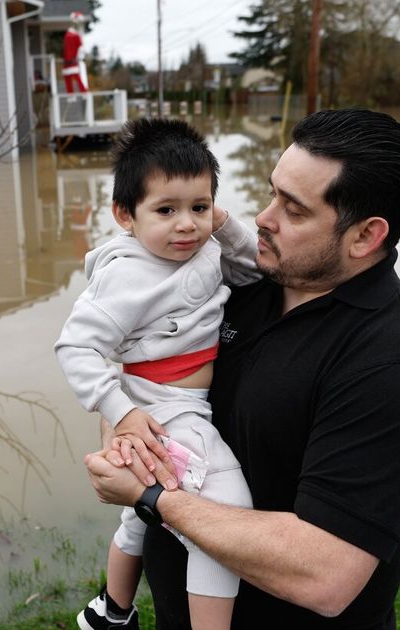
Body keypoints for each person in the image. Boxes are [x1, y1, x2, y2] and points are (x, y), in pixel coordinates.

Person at [83, 108, 400, 629]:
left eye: (294, 209)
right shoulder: (240, 285)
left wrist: (151, 496)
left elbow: (326, 573)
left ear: (364, 237)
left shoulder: (398, 367)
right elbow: (133, 365)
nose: (262, 217)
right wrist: (123, 427)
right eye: (271, 193)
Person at [55, 118, 262, 630]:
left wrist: (226, 224)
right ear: (125, 215)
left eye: (199, 207)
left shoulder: (204, 246)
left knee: (139, 513)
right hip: (165, 408)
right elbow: (75, 346)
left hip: (181, 402)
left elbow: (256, 269)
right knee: (228, 513)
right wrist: (121, 413)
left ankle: (111, 611)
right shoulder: (127, 275)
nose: (186, 225)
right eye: (166, 210)